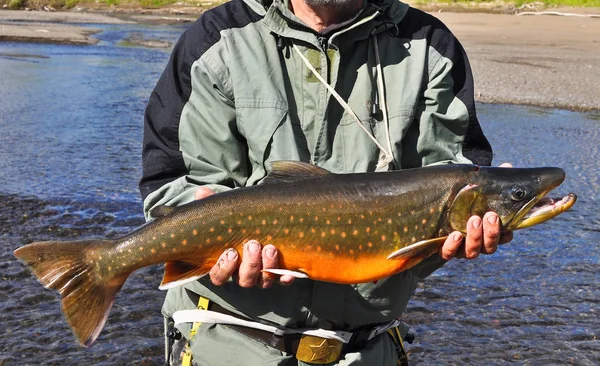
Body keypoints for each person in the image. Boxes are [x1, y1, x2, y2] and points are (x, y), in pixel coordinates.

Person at [140, 0, 512, 364]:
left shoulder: (430, 45)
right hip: (226, 342)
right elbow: (169, 182)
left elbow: (454, 177)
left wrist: (463, 237)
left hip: (369, 347)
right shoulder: (216, 39)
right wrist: (209, 232)